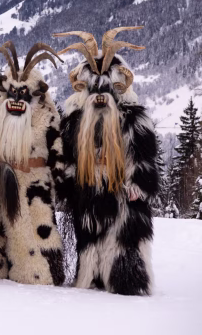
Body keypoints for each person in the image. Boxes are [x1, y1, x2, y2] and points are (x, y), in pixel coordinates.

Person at [54, 27, 158, 295]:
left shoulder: (133, 118)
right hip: (89, 193)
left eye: (107, 88)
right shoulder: (75, 121)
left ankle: (125, 276)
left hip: (122, 195)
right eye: (94, 88)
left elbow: (144, 157)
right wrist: (67, 186)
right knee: (89, 241)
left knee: (123, 245)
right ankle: (92, 274)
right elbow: (68, 160)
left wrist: (137, 183)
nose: (100, 96)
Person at [0, 42, 66, 286]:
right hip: (6, 181)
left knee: (40, 227)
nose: (16, 99)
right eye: (12, 93)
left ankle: (43, 273)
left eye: (22, 93)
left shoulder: (45, 114)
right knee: (6, 225)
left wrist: (58, 175)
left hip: (37, 184)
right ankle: (2, 267)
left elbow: (57, 146)